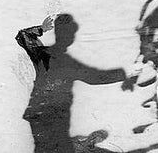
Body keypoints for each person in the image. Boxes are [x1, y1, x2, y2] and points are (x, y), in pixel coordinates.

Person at [15, 14, 128, 153]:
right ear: (70, 37)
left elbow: (23, 36)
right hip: (50, 113)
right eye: (69, 34)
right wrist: (124, 74)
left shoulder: (43, 54)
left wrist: (41, 29)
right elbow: (95, 77)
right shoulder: (52, 57)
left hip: (44, 111)